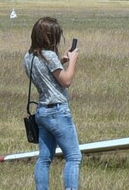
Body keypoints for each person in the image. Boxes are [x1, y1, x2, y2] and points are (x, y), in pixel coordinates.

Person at [25, 16, 81, 190]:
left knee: (44, 158)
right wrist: (72, 61)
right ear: (49, 37)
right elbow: (66, 81)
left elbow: (46, 75)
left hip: (42, 111)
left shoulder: (29, 57)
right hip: (57, 111)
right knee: (73, 157)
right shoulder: (49, 56)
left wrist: (61, 61)